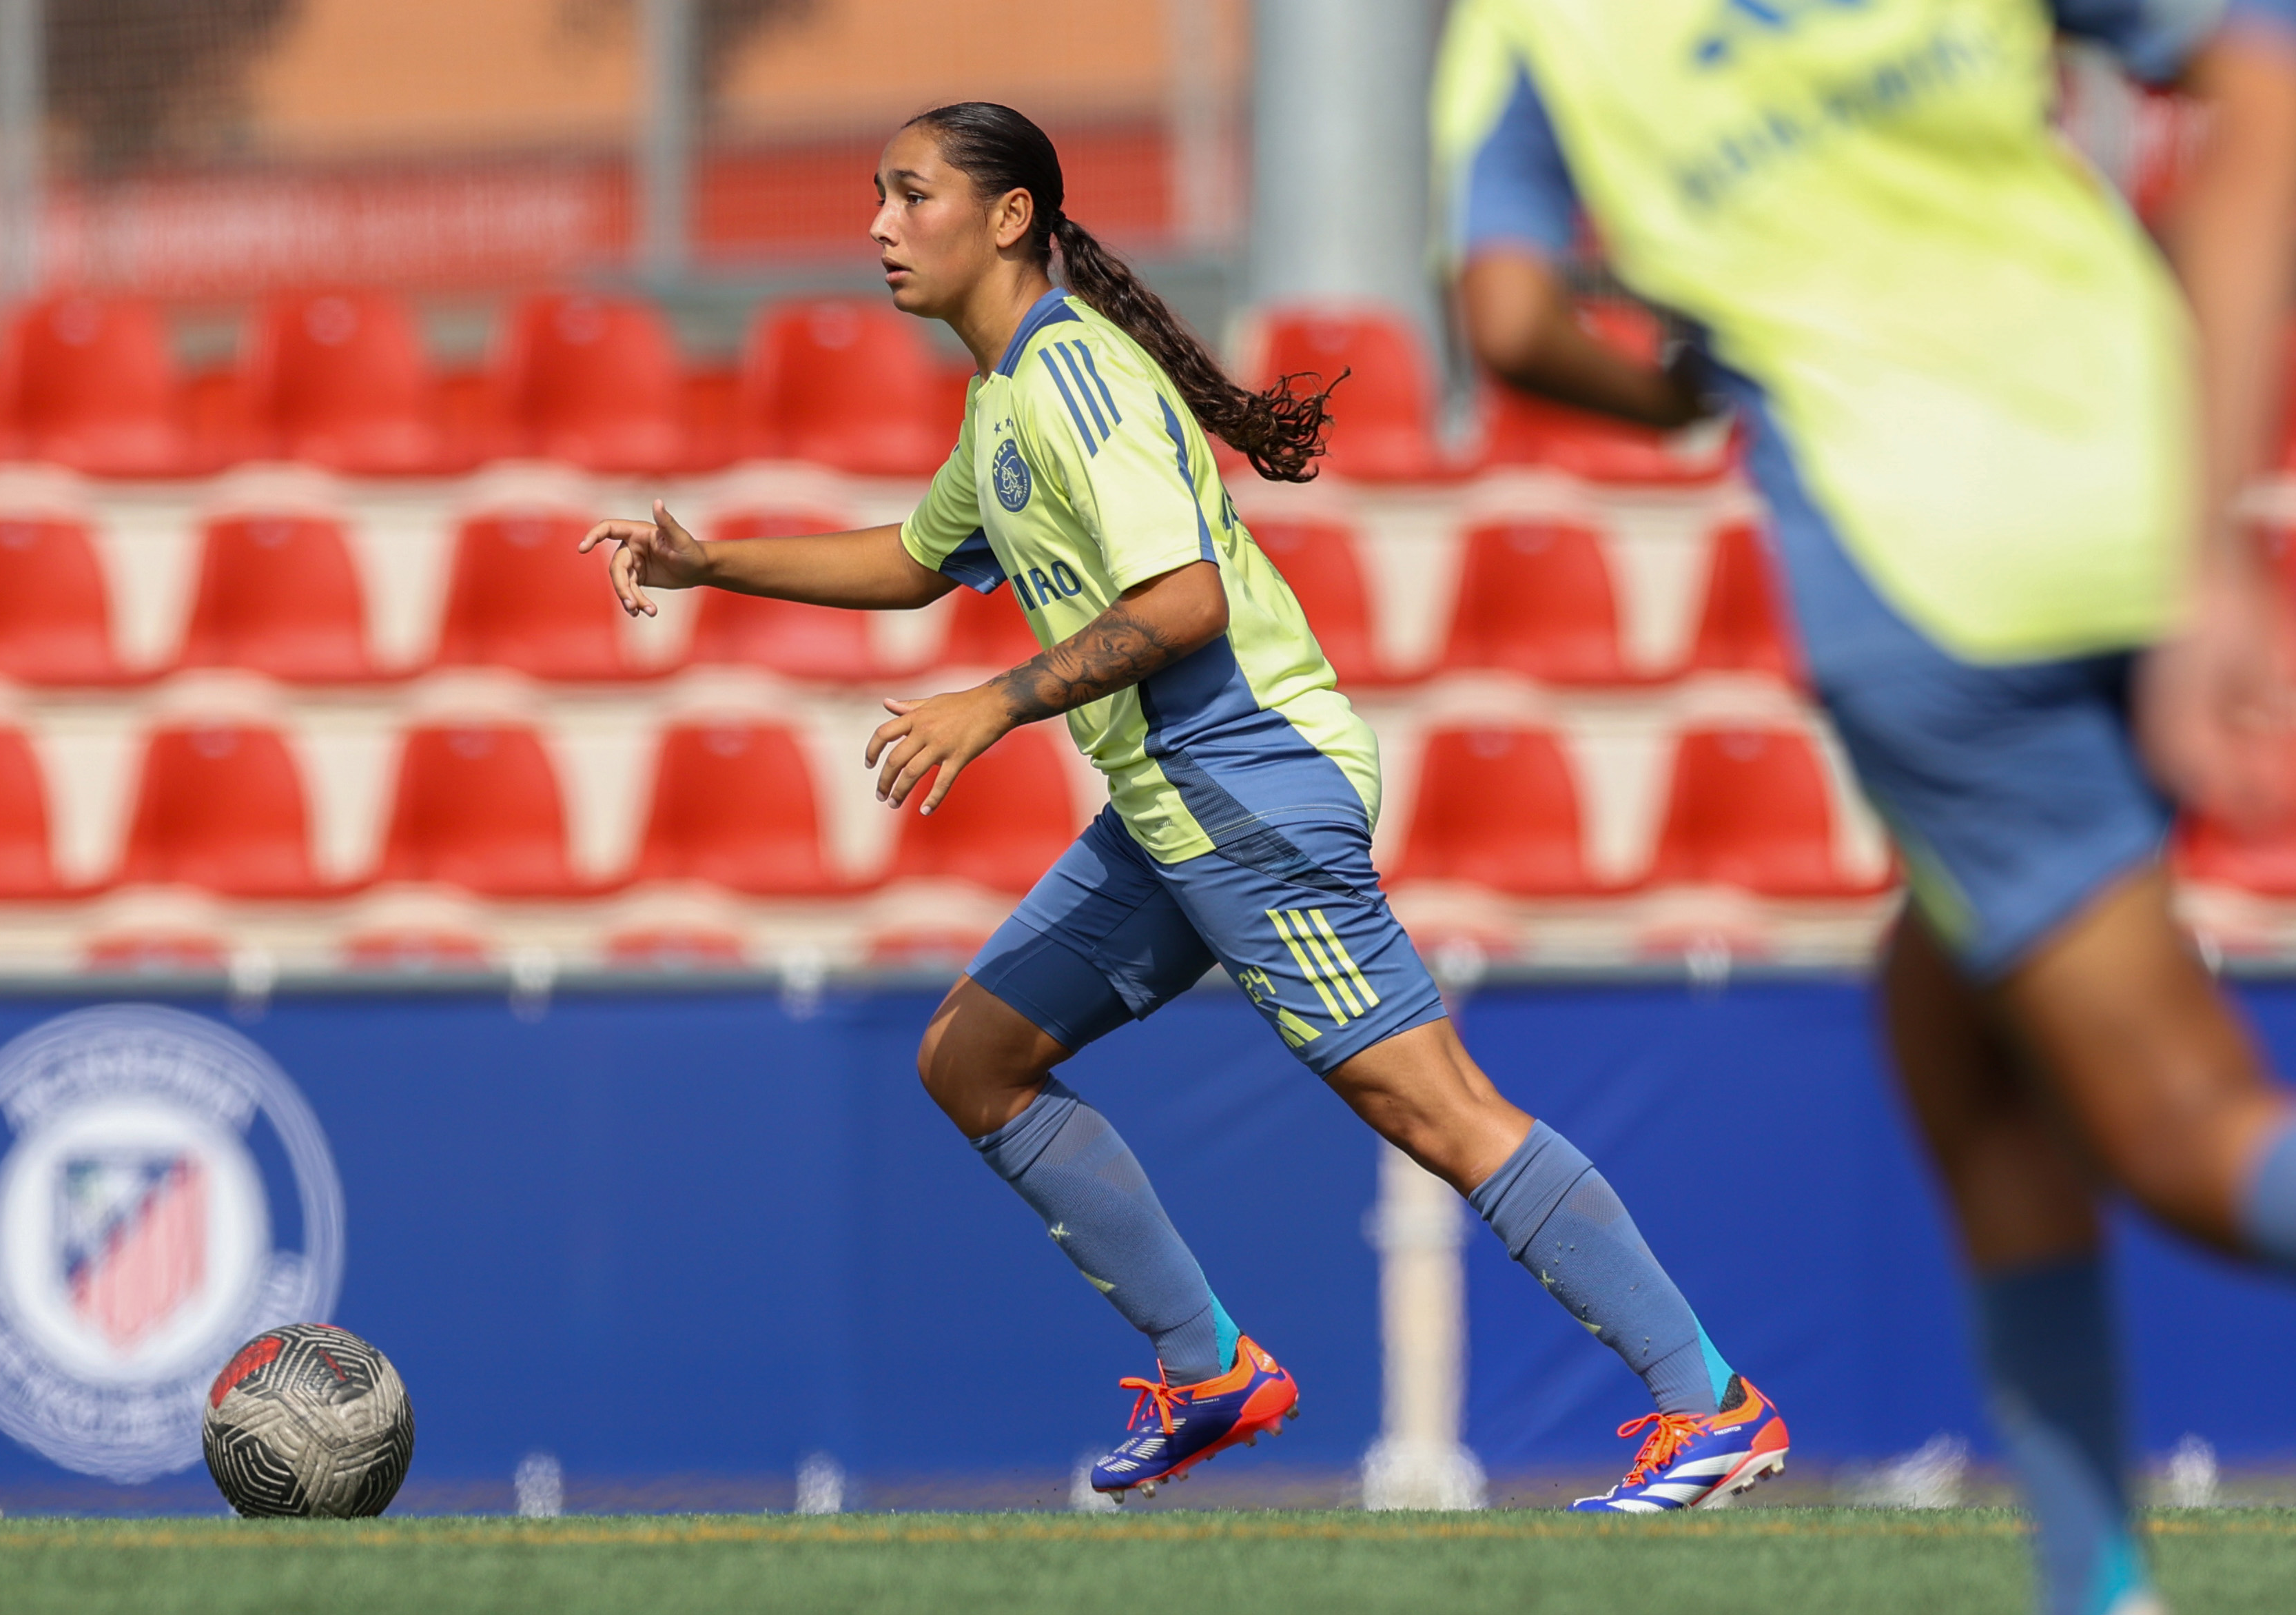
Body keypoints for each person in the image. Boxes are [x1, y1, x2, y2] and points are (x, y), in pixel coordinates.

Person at [582, 101, 1786, 1508]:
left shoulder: (1076, 380)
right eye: (877, 196)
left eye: (909, 194)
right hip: (1170, 805)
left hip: (1244, 782)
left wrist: (996, 700)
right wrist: (708, 561)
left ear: (1012, 215)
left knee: (1436, 1106)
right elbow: (915, 561)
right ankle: (1208, 1369)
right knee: (974, 1057)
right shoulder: (1008, 396)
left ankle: (1711, 1402)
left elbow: (1185, 601)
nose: (879, 225)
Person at [1442, 0, 2296, 1605]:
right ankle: (2097, 1583)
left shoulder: (1527, 25)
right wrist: (2211, 532)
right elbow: (2261, 83)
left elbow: (1506, 315)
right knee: (1951, 1022)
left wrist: (1675, 395)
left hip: (1935, 578)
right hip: (2134, 472)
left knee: (2180, 1130)